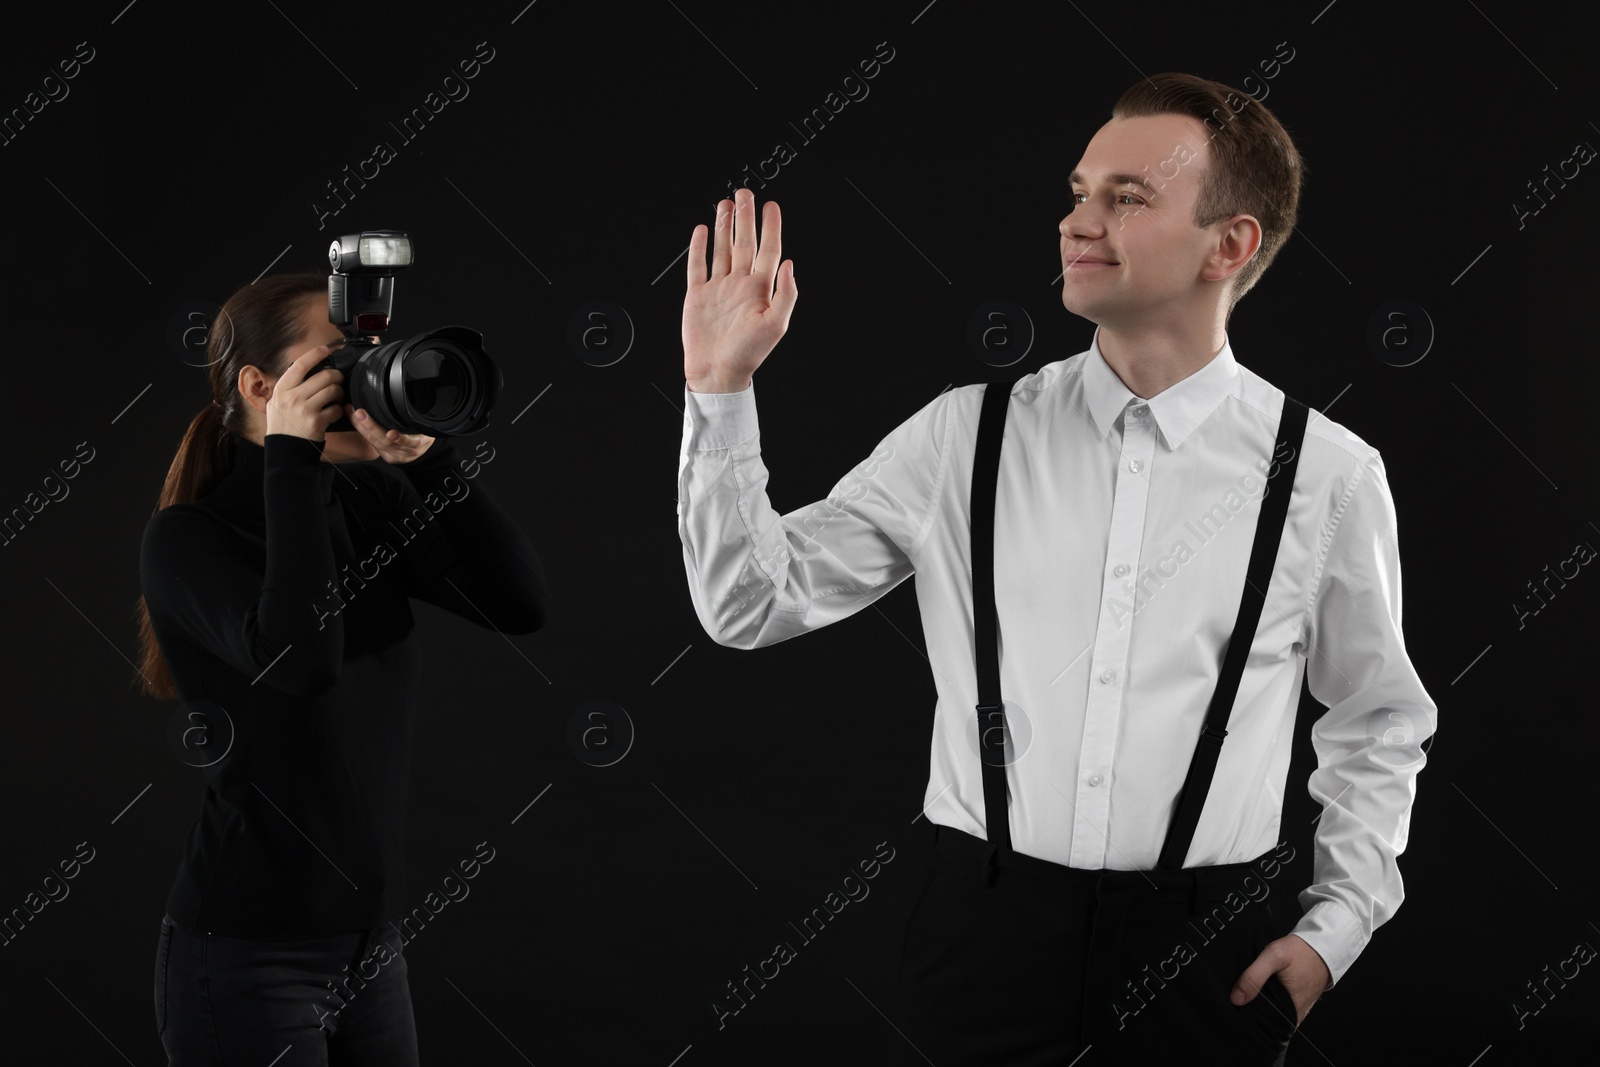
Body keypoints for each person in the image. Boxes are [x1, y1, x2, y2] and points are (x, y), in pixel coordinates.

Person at [675, 71, 1436, 1064]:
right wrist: (718, 387)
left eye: (1127, 197)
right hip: (982, 937)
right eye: (1079, 192)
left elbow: (1378, 715)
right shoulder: (964, 437)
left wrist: (1336, 926)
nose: (1080, 221)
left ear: (1230, 244)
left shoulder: (1327, 475)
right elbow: (748, 601)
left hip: (1204, 954)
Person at [134, 271, 551, 1065]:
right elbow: (301, 659)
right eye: (336, 360)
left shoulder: (366, 503)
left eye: (367, 355)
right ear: (262, 386)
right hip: (245, 955)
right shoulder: (188, 540)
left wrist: (429, 462)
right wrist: (289, 460)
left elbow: (519, 604)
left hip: (370, 948)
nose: (363, 376)